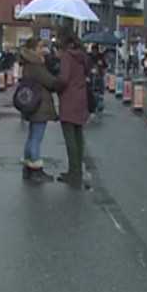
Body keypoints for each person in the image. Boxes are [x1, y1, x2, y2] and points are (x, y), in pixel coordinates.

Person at [19, 38, 63, 182]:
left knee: (32, 135)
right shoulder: (35, 65)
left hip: (33, 103)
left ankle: (28, 164)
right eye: (39, 47)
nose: (42, 49)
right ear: (32, 50)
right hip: (40, 104)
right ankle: (35, 168)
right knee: (36, 137)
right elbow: (50, 81)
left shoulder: (30, 63)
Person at [55, 29, 90, 188]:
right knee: (78, 134)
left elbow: (64, 78)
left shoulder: (67, 57)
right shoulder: (82, 56)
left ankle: (73, 171)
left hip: (69, 98)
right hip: (81, 97)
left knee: (69, 135)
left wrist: (56, 86)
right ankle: (78, 170)